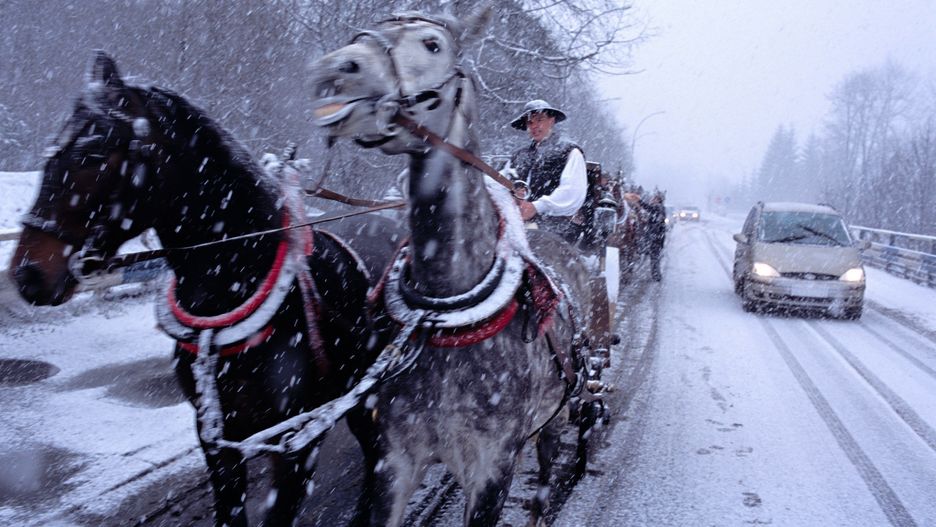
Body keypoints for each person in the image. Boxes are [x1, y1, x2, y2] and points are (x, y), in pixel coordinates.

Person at [506, 99, 588, 245]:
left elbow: (572, 192)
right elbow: (502, 184)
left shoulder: (570, 152)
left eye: (539, 120)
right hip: (517, 226)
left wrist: (537, 207)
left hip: (557, 230)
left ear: (552, 120)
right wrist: (512, 196)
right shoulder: (518, 156)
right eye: (530, 122)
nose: (534, 126)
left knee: (537, 242)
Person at [623, 190, 667, 281]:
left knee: (654, 257)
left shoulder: (658, 207)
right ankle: (656, 275)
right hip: (657, 237)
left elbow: (648, 208)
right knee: (654, 257)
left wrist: (638, 200)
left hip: (655, 237)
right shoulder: (660, 208)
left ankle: (656, 276)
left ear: (658, 200)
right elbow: (655, 220)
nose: (652, 199)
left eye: (654, 198)